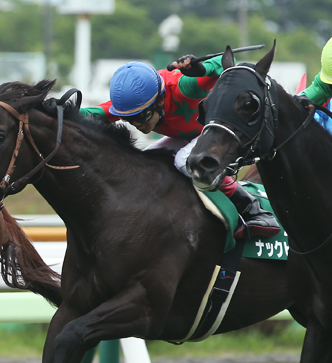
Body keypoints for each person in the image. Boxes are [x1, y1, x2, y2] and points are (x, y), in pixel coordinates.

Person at [79, 56, 280, 240]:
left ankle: (252, 208)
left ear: (159, 99)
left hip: (220, 133)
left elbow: (226, 60)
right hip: (193, 136)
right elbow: (92, 113)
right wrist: (57, 107)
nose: (136, 123)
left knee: (184, 160)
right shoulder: (137, 101)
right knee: (147, 161)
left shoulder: (185, 87)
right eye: (129, 118)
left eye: (142, 116)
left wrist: (201, 69)